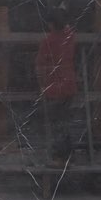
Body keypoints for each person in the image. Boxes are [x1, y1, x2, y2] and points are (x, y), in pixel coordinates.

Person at [35, 9, 77, 167]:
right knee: (64, 122)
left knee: (57, 124)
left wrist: (41, 86)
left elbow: (39, 66)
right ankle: (68, 157)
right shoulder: (69, 37)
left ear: (51, 24)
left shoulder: (48, 41)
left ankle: (60, 158)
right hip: (69, 85)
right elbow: (69, 29)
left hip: (54, 87)